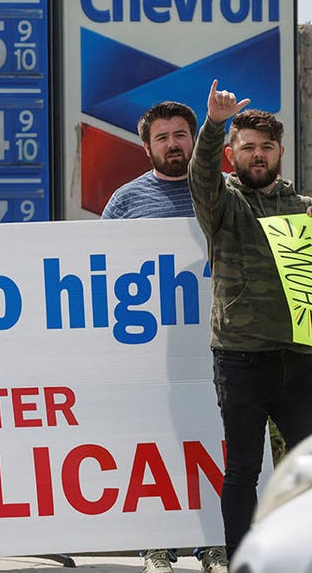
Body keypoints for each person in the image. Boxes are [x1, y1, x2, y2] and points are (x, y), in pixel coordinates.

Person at [188, 80, 312, 561]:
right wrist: (213, 125)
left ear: (279, 154)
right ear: (232, 153)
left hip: (297, 358)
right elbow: (200, 177)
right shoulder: (223, 205)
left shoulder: (305, 211)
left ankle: (310, 556)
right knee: (242, 471)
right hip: (239, 359)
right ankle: (241, 561)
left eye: (266, 148)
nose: (258, 155)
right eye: (247, 147)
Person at [101, 101, 229, 573]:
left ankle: (213, 542)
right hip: (149, 352)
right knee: (154, 443)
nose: (172, 144)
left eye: (180, 135)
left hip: (217, 348)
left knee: (214, 441)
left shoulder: (222, 192)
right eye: (162, 137)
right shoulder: (125, 202)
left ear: (194, 140)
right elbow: (101, 273)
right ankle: (157, 544)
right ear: (146, 146)